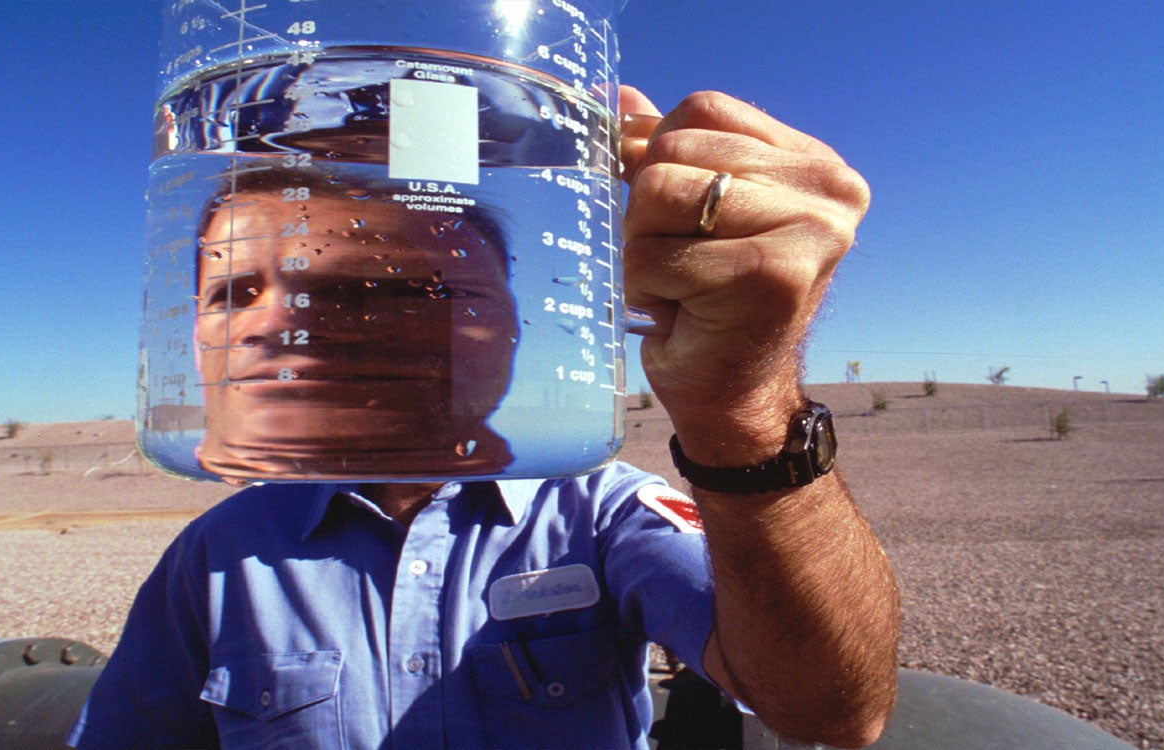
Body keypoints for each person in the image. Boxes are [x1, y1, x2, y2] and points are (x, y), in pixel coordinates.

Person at [69, 86, 899, 749]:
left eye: (374, 289)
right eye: (230, 291)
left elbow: (826, 710)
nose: (259, 323)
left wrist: (741, 408)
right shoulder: (217, 557)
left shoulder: (597, 512)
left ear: (501, 332)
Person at [191, 172, 518, 477]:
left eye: (377, 289)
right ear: (196, 338)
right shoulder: (214, 539)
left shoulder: (564, 529)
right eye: (231, 296)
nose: (274, 323)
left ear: (509, 328)